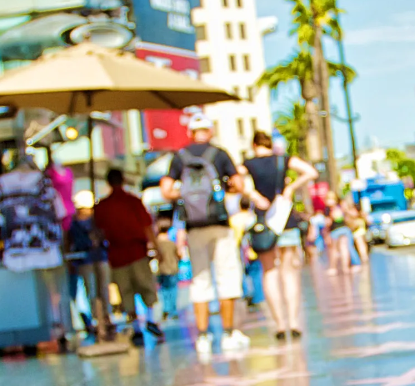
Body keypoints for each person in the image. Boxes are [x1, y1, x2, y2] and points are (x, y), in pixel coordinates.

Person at [160, 121, 248, 349]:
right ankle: (229, 332)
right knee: (226, 275)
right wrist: (222, 189)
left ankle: (202, 336)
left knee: (199, 280)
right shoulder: (219, 154)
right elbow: (239, 185)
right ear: (210, 131)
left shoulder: (180, 157)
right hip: (219, 223)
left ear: (190, 132)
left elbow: (166, 190)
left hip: (193, 226)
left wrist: (188, 195)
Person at [242, 131, 316, 342]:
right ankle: (293, 322)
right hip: (285, 219)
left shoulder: (249, 163)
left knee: (269, 272)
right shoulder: (283, 160)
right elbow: (310, 172)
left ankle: (280, 325)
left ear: (254, 144)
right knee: (289, 273)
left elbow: (234, 180)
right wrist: (290, 188)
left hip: (263, 222)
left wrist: (253, 195)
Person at [91, 168, 161, 345]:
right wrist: (157, 248)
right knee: (146, 287)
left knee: (126, 291)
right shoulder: (133, 202)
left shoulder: (102, 207)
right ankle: (151, 320)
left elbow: (98, 232)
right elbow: (146, 226)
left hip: (117, 255)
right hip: (136, 252)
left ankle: (136, 326)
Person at [64, 189, 114, 345]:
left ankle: (104, 317)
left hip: (99, 257)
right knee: (92, 290)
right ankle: (97, 319)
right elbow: (69, 242)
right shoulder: (74, 223)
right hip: (85, 260)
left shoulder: (97, 220)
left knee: (101, 289)